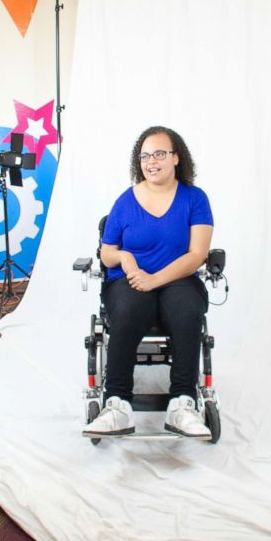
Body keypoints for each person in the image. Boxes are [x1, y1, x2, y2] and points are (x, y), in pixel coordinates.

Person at [83, 126, 214, 439]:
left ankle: (182, 403)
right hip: (130, 280)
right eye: (144, 155)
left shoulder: (195, 199)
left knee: (186, 311)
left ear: (176, 158)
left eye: (159, 153)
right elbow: (107, 252)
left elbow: (197, 254)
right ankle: (117, 405)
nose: (151, 161)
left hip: (177, 278)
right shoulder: (125, 201)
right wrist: (126, 259)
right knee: (127, 311)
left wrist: (155, 278)